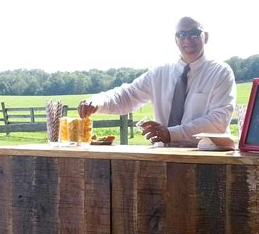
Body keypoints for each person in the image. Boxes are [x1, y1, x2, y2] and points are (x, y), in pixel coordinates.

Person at [78, 16, 237, 147]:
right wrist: (96, 102)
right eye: (181, 34)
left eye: (194, 33)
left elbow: (218, 121)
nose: (187, 39)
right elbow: (127, 95)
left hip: (206, 160)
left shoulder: (220, 72)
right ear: (175, 40)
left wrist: (171, 134)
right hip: (163, 158)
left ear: (206, 37)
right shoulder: (160, 73)